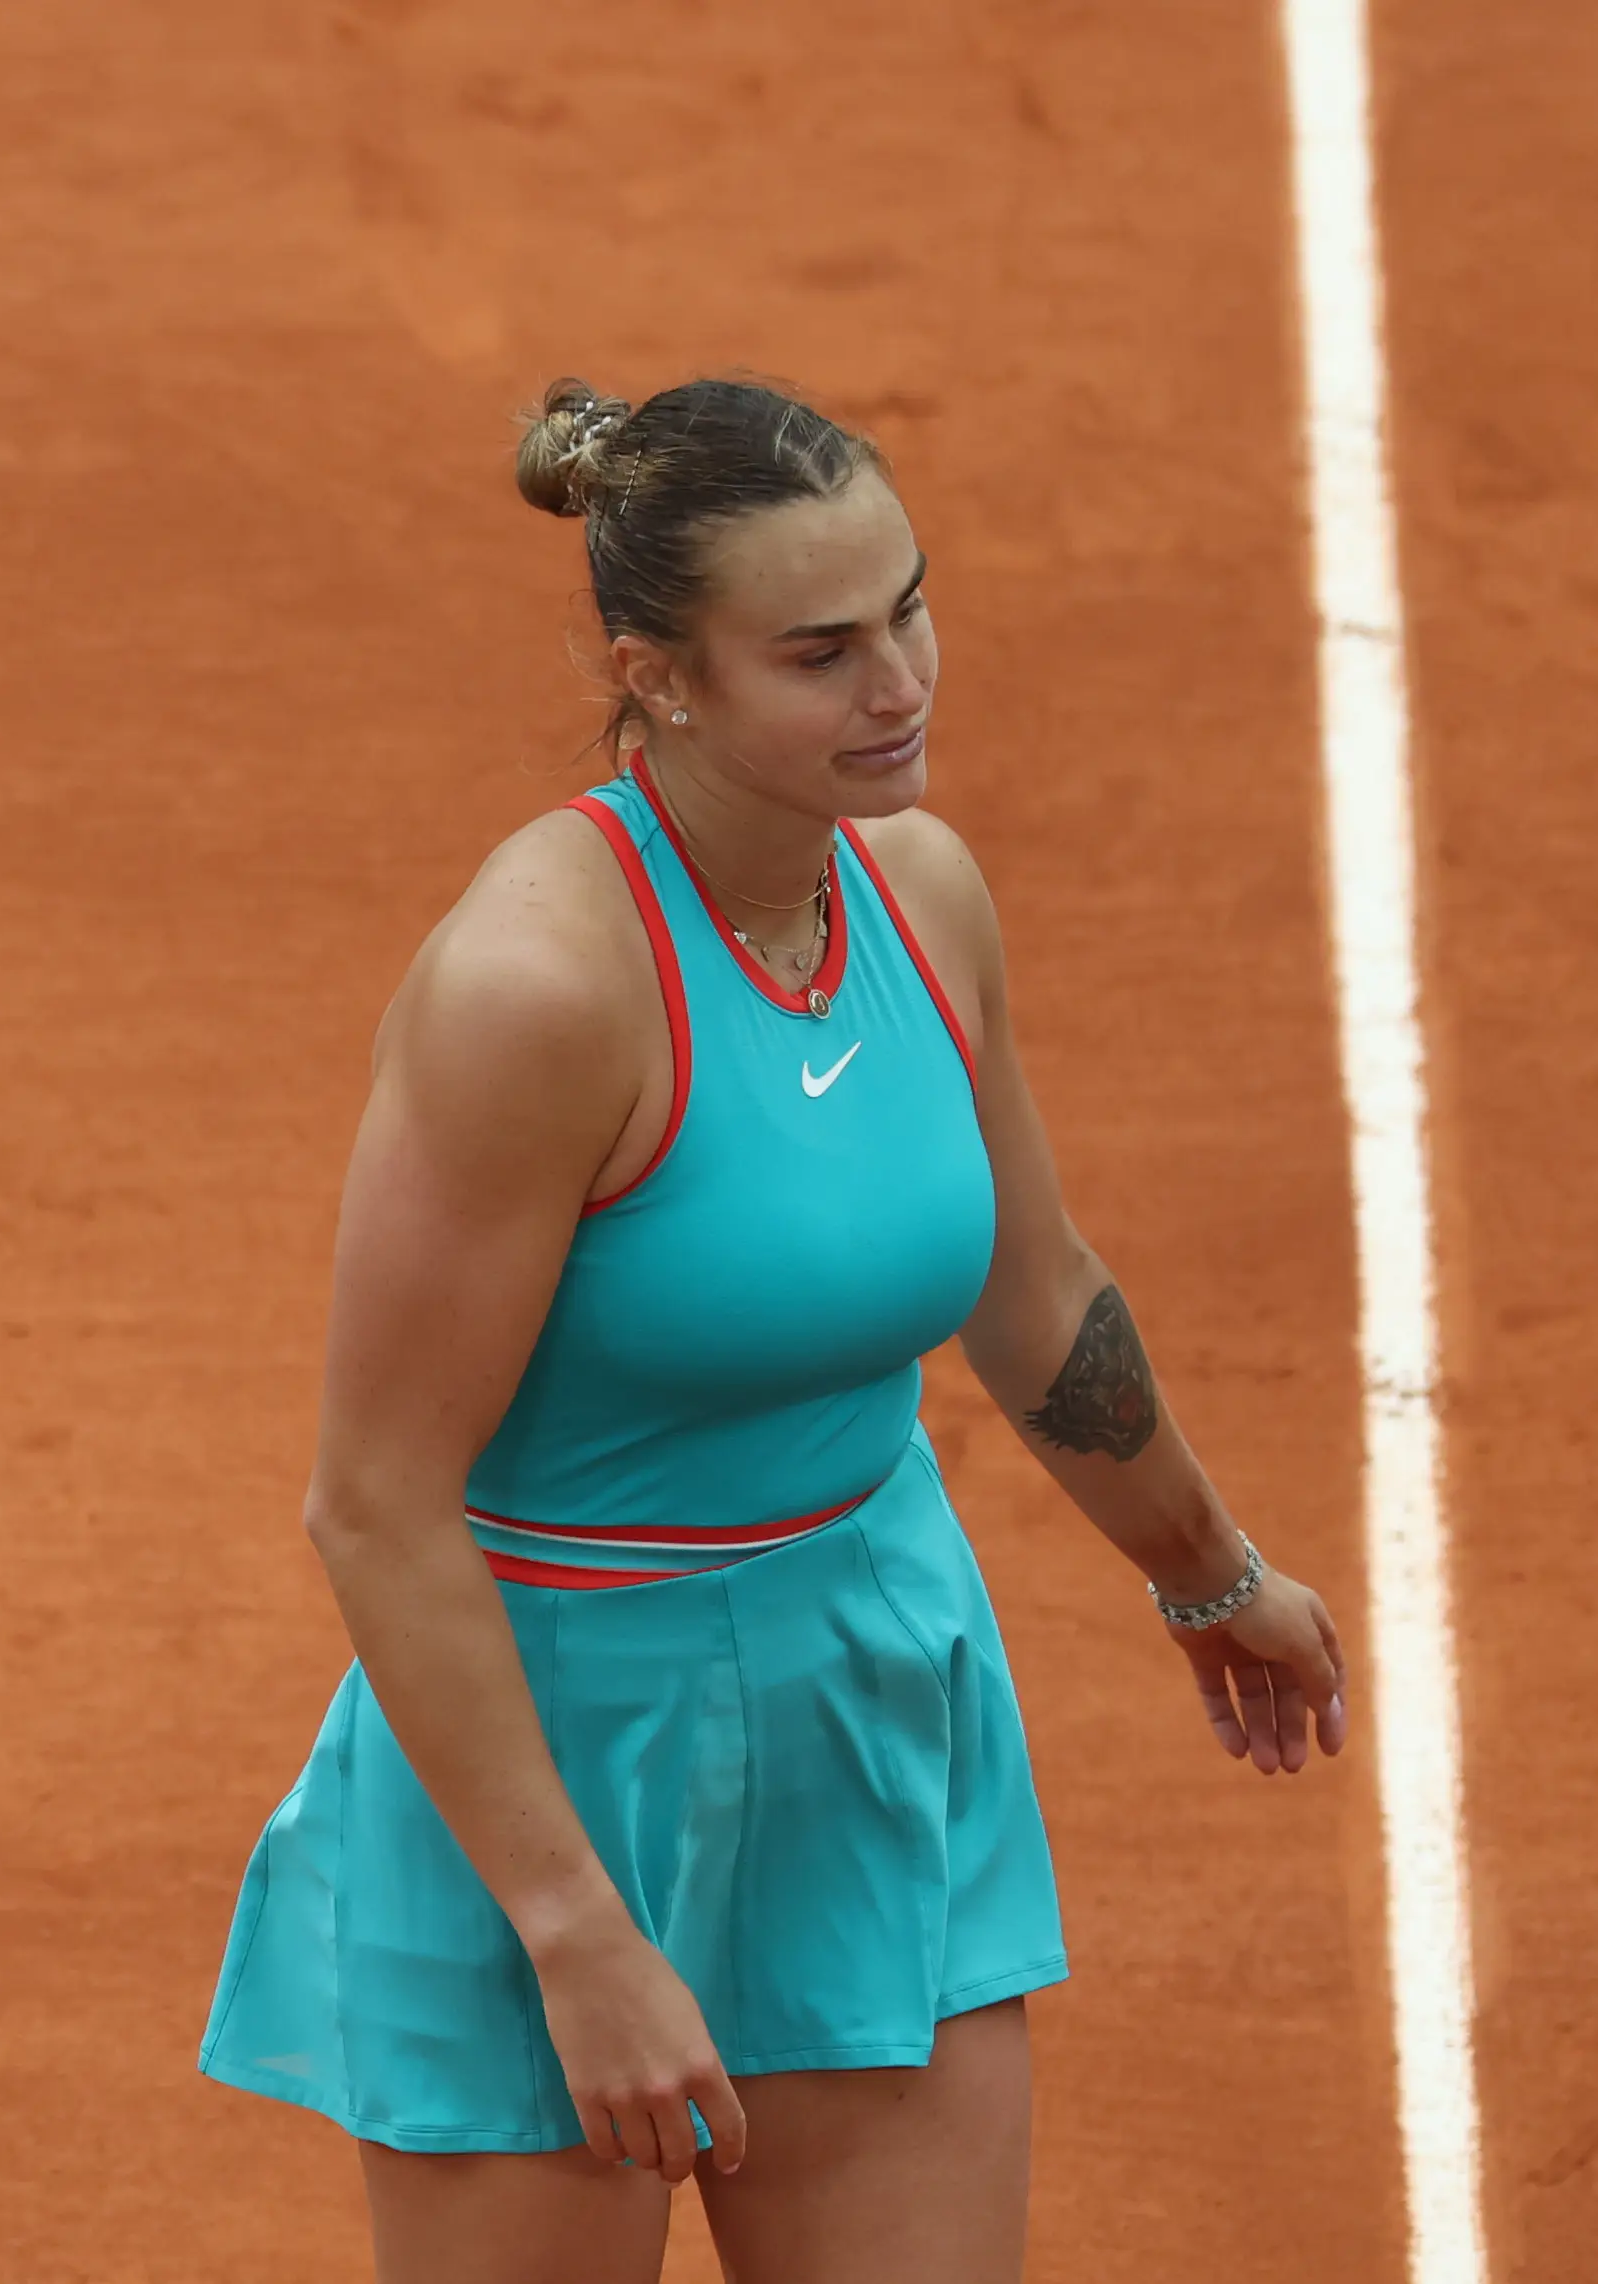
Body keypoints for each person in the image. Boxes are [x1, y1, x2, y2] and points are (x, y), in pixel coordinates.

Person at [196, 377, 1350, 2283]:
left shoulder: (919, 892)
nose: (899, 685)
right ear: (655, 678)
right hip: (554, 1762)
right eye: (820, 653)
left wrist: (1208, 1570)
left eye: (910, 609)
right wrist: (574, 1933)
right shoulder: (537, 993)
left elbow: (1034, 1291)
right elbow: (377, 1503)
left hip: (868, 1713)